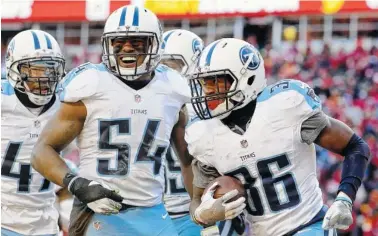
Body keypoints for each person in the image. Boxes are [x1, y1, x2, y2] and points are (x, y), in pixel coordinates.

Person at [31, 5, 193, 236]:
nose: (126, 47)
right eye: (118, 41)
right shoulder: (91, 84)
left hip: (153, 210)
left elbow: (187, 160)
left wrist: (199, 206)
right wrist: (77, 184)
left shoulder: (173, 89)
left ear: (154, 45)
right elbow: (41, 151)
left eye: (137, 41)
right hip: (97, 207)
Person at [186, 38, 371, 235]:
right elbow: (198, 198)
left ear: (246, 79)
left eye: (217, 83)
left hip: (309, 226)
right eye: (205, 84)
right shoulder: (203, 133)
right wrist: (201, 215)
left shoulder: (285, 106)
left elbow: (356, 146)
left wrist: (344, 198)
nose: (208, 93)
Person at [1, 29, 66, 236]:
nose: (44, 78)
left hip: (45, 220)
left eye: (50, 70)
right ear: (15, 70)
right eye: (35, 70)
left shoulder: (67, 102)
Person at [160, 29, 204, 236]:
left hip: (196, 212)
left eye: (172, 65)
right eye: (159, 66)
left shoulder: (207, 110)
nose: (163, 73)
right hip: (155, 213)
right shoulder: (147, 103)